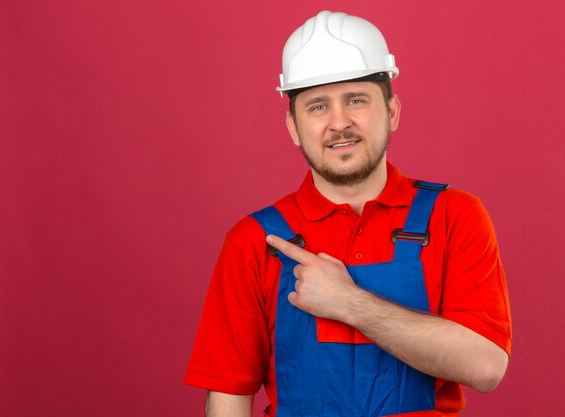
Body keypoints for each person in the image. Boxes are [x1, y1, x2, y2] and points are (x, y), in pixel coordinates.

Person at [185, 10, 512, 417]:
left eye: (356, 100)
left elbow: (485, 367)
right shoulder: (254, 241)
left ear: (392, 111)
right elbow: (228, 399)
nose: (340, 123)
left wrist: (347, 302)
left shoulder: (454, 216)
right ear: (293, 126)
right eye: (318, 107)